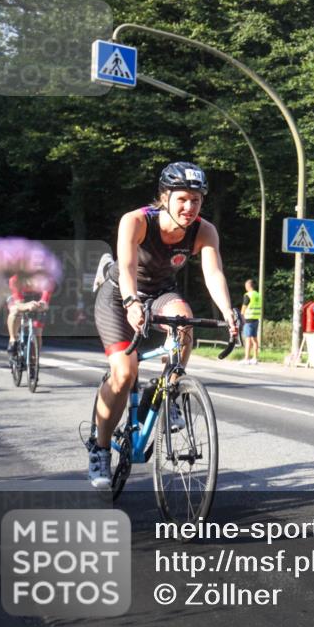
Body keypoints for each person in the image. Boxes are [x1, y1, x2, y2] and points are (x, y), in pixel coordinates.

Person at [89, 162, 239, 489]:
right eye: (182, 199)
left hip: (160, 292)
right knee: (125, 373)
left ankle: (168, 393)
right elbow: (126, 266)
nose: (189, 207)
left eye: (196, 200)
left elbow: (214, 273)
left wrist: (228, 311)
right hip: (119, 294)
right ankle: (100, 449)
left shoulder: (204, 231)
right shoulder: (137, 221)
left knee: (184, 323)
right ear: (164, 196)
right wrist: (130, 302)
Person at [7, 273, 53, 359]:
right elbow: (19, 303)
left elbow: (45, 302)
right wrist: (27, 305)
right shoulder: (15, 280)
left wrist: (41, 305)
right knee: (15, 311)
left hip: (36, 301)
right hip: (18, 301)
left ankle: (34, 359)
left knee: (37, 331)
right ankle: (12, 339)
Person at [240, 279, 261, 365]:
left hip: (248, 319)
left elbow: (244, 307)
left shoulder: (248, 295)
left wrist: (241, 316)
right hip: (256, 319)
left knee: (248, 339)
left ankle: (246, 358)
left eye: (246, 285)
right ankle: (255, 358)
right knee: (255, 339)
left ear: (248, 286)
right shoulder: (258, 295)